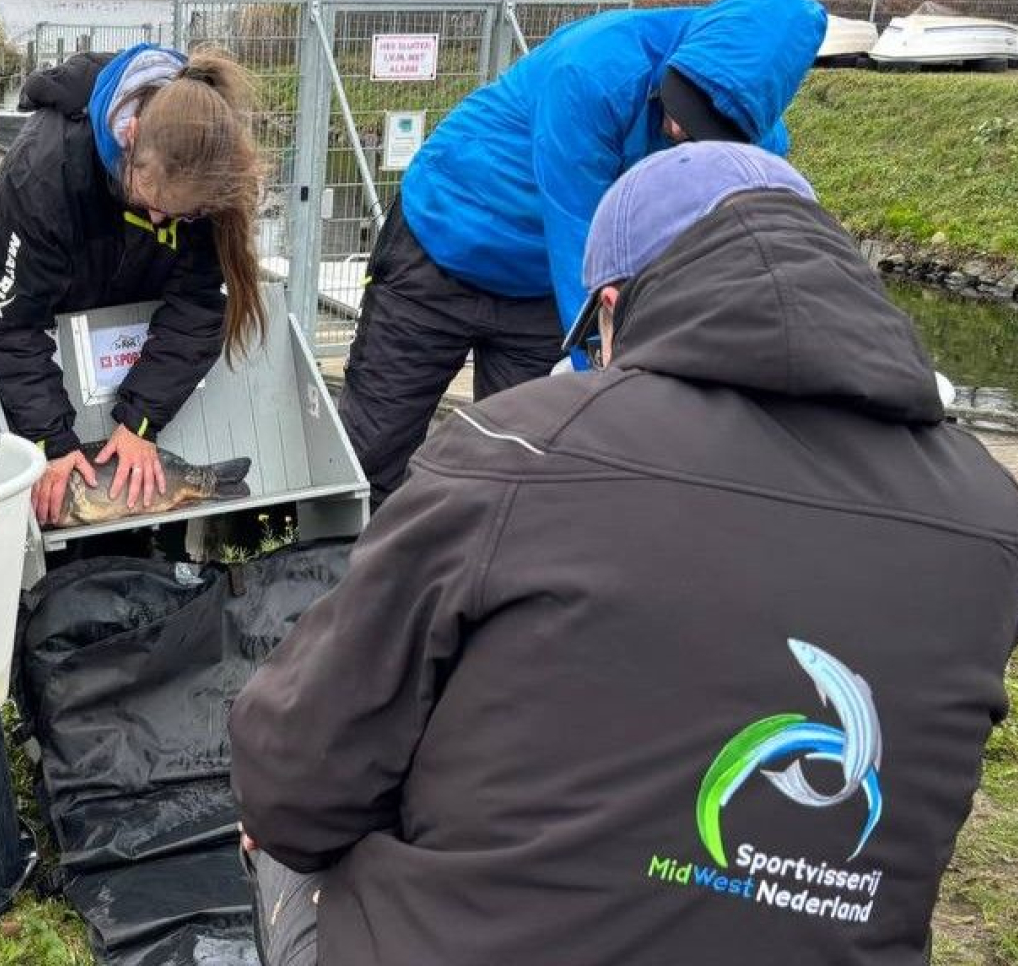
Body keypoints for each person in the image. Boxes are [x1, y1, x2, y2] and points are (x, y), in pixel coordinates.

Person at [229, 143, 1018, 965]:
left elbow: (294, 782)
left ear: (612, 306)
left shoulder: (519, 448)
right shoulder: (989, 512)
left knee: (286, 826)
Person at [340, 0, 826, 505]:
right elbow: (585, 242)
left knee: (525, 465)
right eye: (680, 107)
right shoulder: (594, 69)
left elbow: (737, 241)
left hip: (538, 296)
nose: (678, 131)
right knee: (373, 452)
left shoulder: (756, 143)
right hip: (443, 247)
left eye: (702, 129)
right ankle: (354, 555)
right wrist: (608, 372)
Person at [0, 43, 266, 526]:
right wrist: (51, 441)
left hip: (113, 336)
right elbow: (4, 324)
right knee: (29, 509)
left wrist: (139, 421)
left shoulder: (210, 171)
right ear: (129, 136)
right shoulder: (44, 170)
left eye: (179, 215)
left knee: (121, 520)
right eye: (149, 201)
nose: (158, 221)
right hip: (8, 333)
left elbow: (199, 306)